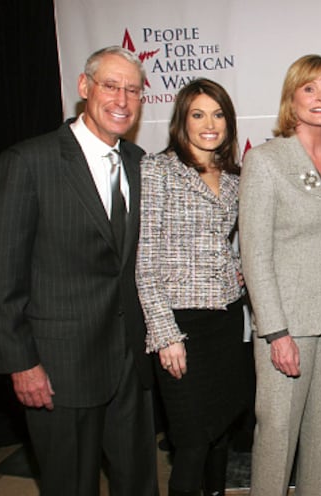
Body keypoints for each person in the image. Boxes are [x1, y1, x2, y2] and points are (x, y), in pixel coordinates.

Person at [0, 46, 158, 496]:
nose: (122, 99)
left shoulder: (140, 163)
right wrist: (22, 363)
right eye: (110, 86)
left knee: (139, 484)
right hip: (60, 370)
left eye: (132, 90)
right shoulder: (28, 163)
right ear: (84, 88)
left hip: (130, 365)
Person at [239, 54, 321, 495]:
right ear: (292, 99)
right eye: (310, 88)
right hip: (286, 322)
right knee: (276, 434)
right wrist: (275, 332)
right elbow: (254, 254)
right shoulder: (266, 161)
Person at [136, 78, 250, 496]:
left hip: (225, 320)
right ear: (182, 121)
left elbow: (222, 242)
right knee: (190, 441)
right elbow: (145, 262)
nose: (210, 124)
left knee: (220, 432)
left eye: (218, 114)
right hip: (180, 325)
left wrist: (236, 269)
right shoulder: (158, 169)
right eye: (198, 114)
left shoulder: (235, 179)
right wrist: (165, 335)